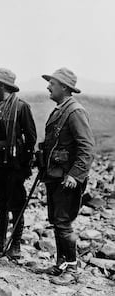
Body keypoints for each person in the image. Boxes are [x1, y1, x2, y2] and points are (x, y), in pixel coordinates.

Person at [39, 68, 94, 284]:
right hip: (54, 175)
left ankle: (73, 268)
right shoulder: (60, 109)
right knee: (56, 220)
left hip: (66, 179)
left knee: (63, 222)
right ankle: (61, 264)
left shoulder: (75, 111)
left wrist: (75, 174)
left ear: (64, 87)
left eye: (51, 83)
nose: (48, 87)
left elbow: (87, 147)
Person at [0, 68, 37, 258]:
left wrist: (24, 164)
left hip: (14, 164)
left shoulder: (22, 107)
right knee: (0, 203)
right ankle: (0, 242)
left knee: (16, 204)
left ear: (3, 85)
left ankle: (15, 246)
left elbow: (31, 138)